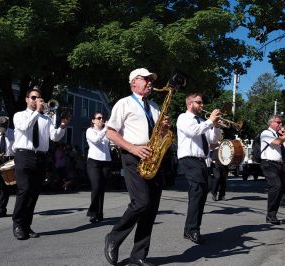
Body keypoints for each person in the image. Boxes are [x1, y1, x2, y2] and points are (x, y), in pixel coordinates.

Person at [104, 68, 170, 266]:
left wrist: (164, 129)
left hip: (153, 157)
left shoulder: (156, 107)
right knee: (141, 202)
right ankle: (114, 237)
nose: (150, 82)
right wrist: (134, 149)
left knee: (151, 208)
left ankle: (138, 255)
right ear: (134, 82)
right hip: (133, 156)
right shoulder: (123, 103)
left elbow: (159, 135)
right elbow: (111, 133)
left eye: (151, 79)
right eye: (146, 79)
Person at [11, 87, 69, 240]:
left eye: (38, 98)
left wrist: (63, 126)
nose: (36, 100)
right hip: (24, 155)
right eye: (33, 97)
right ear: (26, 99)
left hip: (41, 157)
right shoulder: (19, 115)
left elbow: (54, 138)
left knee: (34, 193)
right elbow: (25, 127)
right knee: (24, 189)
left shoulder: (46, 119)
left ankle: (26, 225)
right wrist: (37, 112)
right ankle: (17, 223)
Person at [177, 92, 221, 244]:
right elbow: (193, 131)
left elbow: (213, 141)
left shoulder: (202, 121)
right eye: (199, 102)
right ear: (190, 104)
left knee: (201, 193)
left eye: (202, 103)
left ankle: (191, 229)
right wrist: (210, 121)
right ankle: (192, 230)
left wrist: (215, 125)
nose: (202, 105)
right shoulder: (183, 118)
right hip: (189, 158)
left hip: (202, 160)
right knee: (197, 191)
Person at [260, 115, 285, 225]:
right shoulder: (266, 133)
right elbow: (277, 142)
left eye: (281, 122)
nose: (280, 124)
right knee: (276, 186)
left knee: (281, 189)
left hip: (281, 164)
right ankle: (270, 215)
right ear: (271, 123)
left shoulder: (280, 135)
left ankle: (272, 215)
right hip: (269, 163)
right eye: (278, 122)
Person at [85, 112, 112, 223]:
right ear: (93, 120)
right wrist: (105, 129)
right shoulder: (90, 131)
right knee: (96, 186)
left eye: (102, 118)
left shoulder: (107, 132)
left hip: (106, 162)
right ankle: (93, 212)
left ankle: (99, 213)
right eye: (99, 118)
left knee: (101, 189)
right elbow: (96, 140)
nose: (101, 119)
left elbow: (112, 143)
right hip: (93, 162)